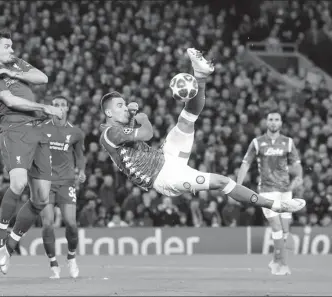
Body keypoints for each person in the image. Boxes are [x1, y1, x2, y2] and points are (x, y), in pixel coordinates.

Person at [98, 48, 306, 233]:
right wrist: (142, 118)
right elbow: (147, 134)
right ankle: (276, 206)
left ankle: (201, 75)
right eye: (119, 106)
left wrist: (134, 117)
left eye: (124, 104)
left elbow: (136, 137)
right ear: (108, 112)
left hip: (165, 156)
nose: (124, 107)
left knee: (187, 120)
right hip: (164, 177)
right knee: (222, 181)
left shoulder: (120, 129)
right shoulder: (109, 134)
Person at [0, 30, 62, 274]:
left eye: (12, 46)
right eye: (7, 46)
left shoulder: (14, 64)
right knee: (18, 183)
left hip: (38, 131)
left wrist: (15, 72)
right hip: (15, 130)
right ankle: (0, 235)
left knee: (42, 198)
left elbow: (42, 77)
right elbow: (11, 101)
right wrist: (44, 107)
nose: (12, 50)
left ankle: (12, 242)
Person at [237, 111, 303, 275]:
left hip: (285, 191)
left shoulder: (288, 142)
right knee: (276, 225)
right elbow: (245, 164)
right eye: (271, 119)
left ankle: (275, 260)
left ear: (281, 123)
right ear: (267, 123)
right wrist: (237, 186)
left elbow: (298, 169)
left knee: (285, 229)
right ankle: (283, 264)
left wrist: (295, 183)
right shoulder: (257, 143)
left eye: (277, 120)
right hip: (267, 192)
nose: (274, 122)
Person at [39, 95, 86, 279]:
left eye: (62, 105)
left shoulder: (75, 132)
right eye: (56, 105)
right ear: (51, 108)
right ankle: (53, 264)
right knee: (48, 224)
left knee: (72, 223)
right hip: (46, 182)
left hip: (66, 181)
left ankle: (71, 258)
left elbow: (80, 155)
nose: (59, 107)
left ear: (67, 108)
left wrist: (81, 170)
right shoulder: (41, 129)